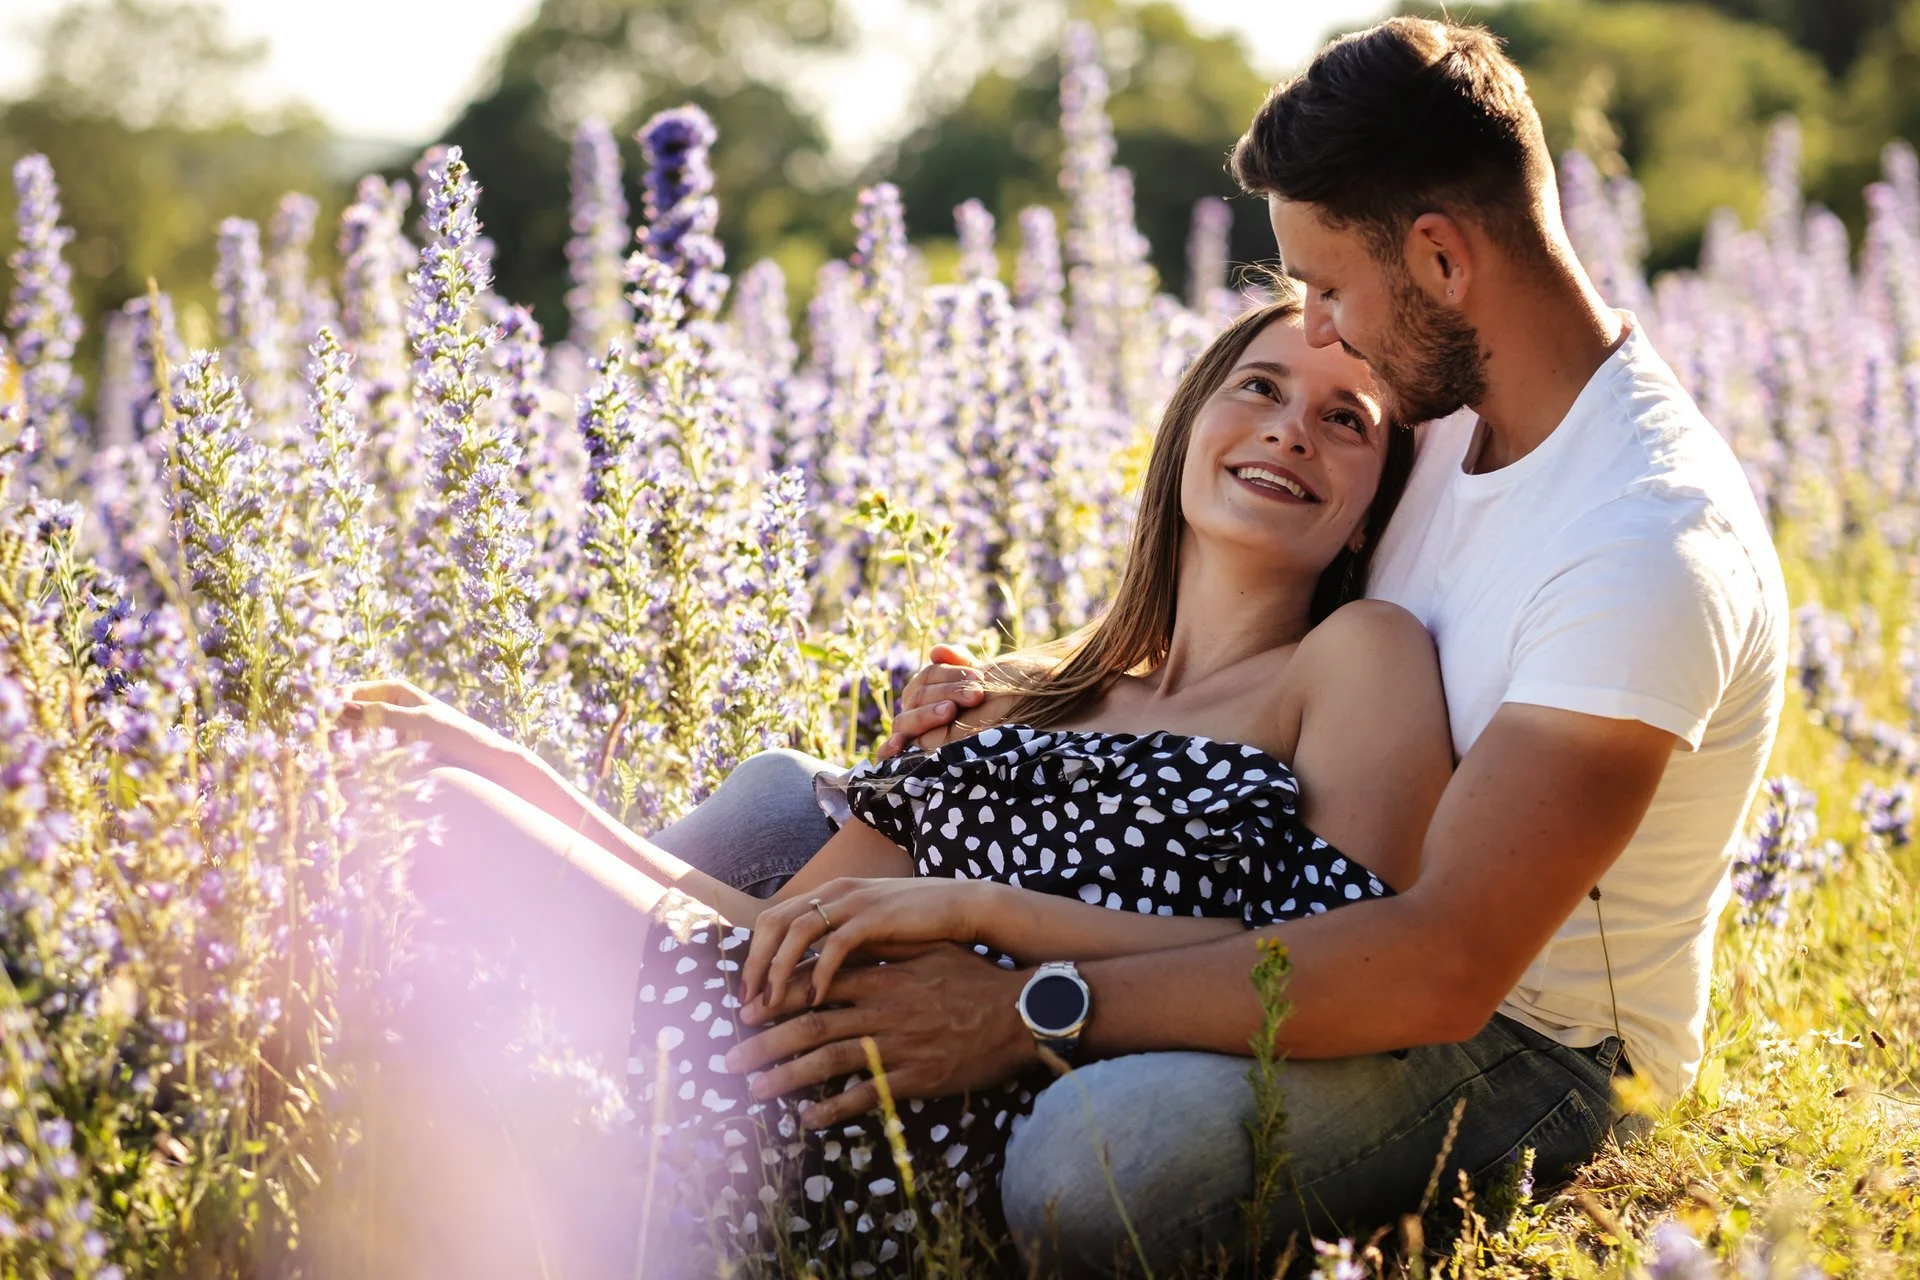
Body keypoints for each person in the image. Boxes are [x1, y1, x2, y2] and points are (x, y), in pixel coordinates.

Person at [684, 14, 1786, 1276]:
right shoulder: (1442, 406)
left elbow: (1441, 965)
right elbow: (1242, 609)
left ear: (1440, 256)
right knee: (777, 803)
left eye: (1329, 287)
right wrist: (1024, 693)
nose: (1315, 331)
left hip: (1520, 1037)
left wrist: (1027, 1007)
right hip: (1293, 912)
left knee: (1098, 1159)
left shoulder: (1642, 540)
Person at [346, 292, 1449, 1275]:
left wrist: (983, 911)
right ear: (1189, 428)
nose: (1290, 428)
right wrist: (516, 772)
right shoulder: (1018, 699)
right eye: (1260, 387)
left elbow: (1325, 956)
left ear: (1371, 509)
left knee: (426, 815)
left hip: (933, 1131)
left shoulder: (1356, 655)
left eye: (1345, 419)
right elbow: (771, 933)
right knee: (405, 783)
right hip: (776, 1054)